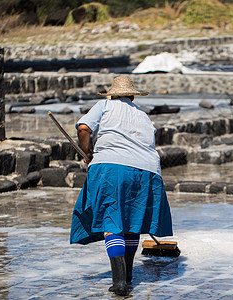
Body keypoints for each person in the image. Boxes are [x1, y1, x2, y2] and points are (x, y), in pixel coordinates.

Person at [69, 76, 174, 296]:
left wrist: (88, 152)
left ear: (111, 94)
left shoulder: (105, 105)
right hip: (146, 171)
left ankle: (119, 283)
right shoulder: (142, 115)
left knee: (112, 221)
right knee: (131, 224)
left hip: (112, 168)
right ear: (133, 95)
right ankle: (127, 276)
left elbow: (84, 128)